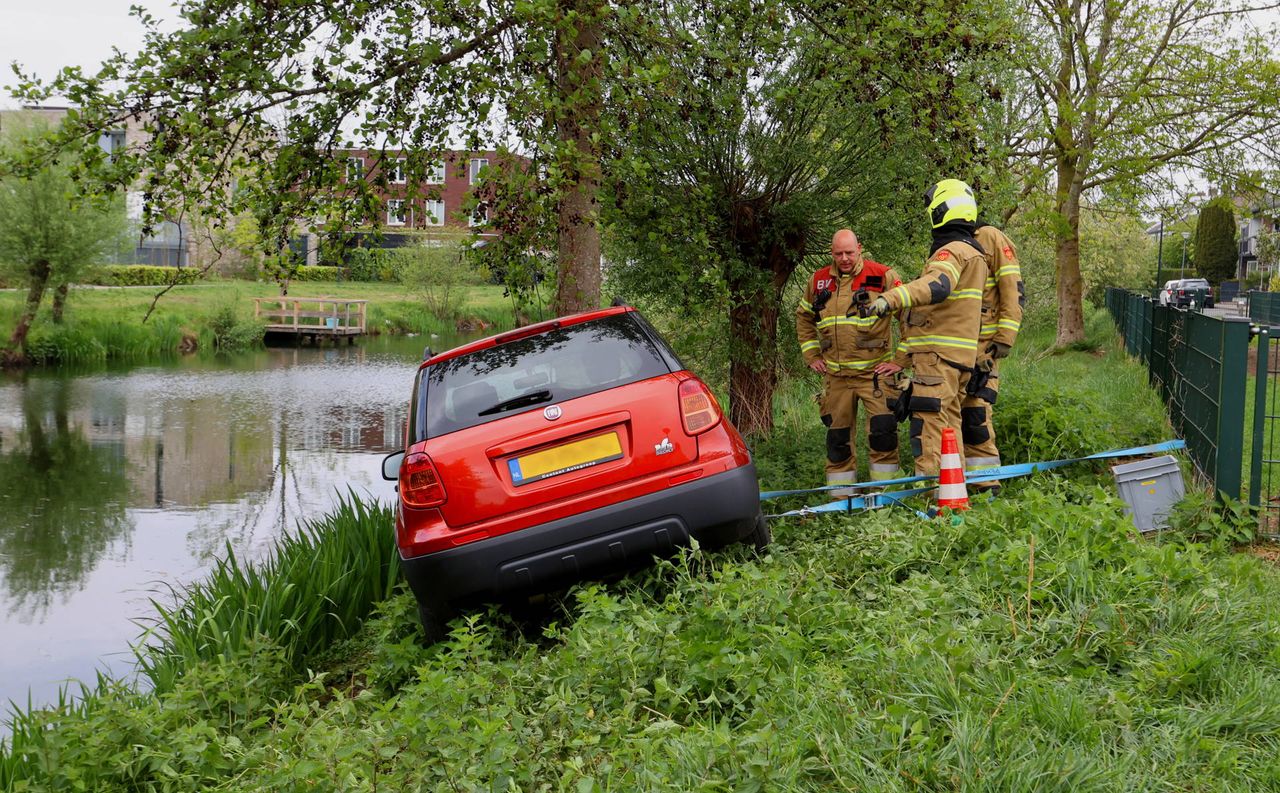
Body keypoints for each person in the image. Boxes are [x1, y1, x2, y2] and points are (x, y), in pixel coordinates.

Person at [868, 179, 987, 477]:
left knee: (930, 430)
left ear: (941, 210)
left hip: (937, 360)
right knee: (949, 428)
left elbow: (938, 285)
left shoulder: (951, 252)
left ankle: (933, 495)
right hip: (958, 358)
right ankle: (953, 495)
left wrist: (889, 299)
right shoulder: (975, 253)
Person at [796, 229, 905, 496]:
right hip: (836, 379)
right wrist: (812, 356)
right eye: (838, 253)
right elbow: (803, 318)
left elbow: (910, 316)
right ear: (831, 253)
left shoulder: (883, 275)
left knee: (883, 436)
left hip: (876, 377)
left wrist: (902, 360)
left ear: (860, 248)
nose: (844, 258)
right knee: (838, 441)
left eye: (849, 252)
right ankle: (840, 501)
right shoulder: (819, 281)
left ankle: (886, 497)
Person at [959, 221, 1024, 492]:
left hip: (983, 346)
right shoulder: (950, 243)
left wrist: (1003, 339)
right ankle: (957, 483)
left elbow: (1013, 289)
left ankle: (986, 486)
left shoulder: (989, 237)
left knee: (976, 416)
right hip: (955, 345)